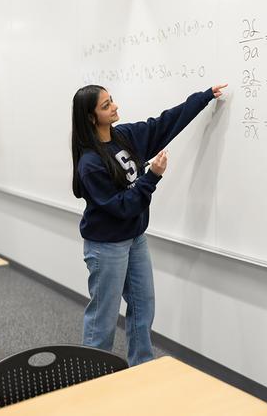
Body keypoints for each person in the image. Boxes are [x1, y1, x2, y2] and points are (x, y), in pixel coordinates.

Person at [71, 83, 228, 365]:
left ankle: (141, 368)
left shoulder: (126, 136)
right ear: (92, 117)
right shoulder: (90, 163)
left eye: (112, 101)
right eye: (106, 105)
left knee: (143, 309)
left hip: (134, 239)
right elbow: (123, 207)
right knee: (103, 318)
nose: (115, 106)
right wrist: (152, 176)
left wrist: (202, 98)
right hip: (107, 246)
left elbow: (164, 124)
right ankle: (89, 378)